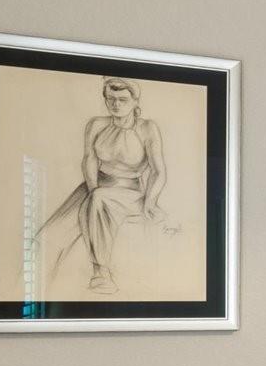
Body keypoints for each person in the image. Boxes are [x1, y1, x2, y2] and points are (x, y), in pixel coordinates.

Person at [36, 77, 172, 295]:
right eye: (111, 99)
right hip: (94, 187)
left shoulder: (147, 128)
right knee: (50, 233)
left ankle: (101, 272)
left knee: (99, 199)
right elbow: (89, 160)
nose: (116, 104)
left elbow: (158, 171)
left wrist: (150, 201)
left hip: (131, 193)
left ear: (135, 101)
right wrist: (92, 190)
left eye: (122, 99)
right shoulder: (96, 125)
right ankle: (38, 288)